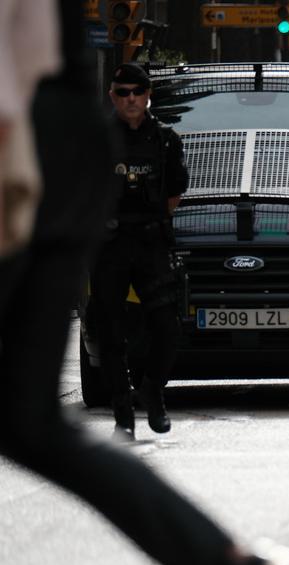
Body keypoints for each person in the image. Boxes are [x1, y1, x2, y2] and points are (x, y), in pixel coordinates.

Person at [0, 0, 289, 565]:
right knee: (25, 417)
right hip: (55, 153)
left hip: (27, 153)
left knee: (26, 415)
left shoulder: (147, 136)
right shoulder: (97, 113)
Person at [87, 62, 186, 439]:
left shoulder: (164, 139)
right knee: (111, 332)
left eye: (137, 92)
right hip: (109, 246)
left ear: (148, 96)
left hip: (150, 243)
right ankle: (123, 415)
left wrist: (153, 223)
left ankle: (152, 391)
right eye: (122, 92)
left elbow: (175, 192)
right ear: (112, 97)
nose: (130, 99)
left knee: (167, 327)